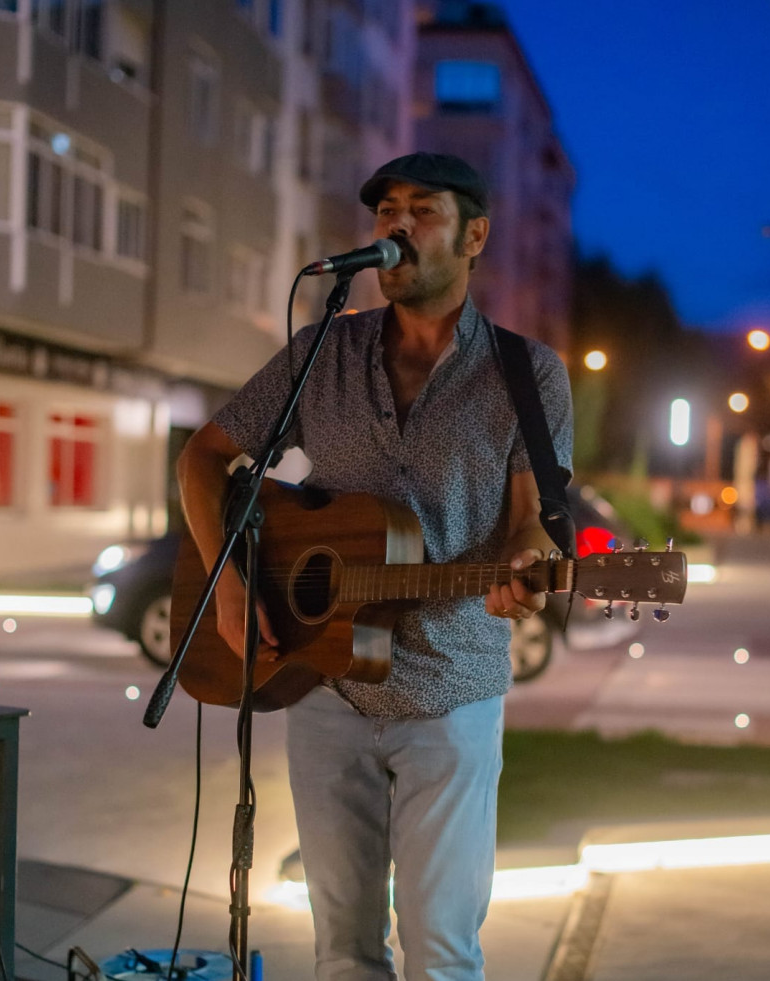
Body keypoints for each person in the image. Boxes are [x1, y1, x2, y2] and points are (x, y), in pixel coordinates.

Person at [177, 152, 573, 980]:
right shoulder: (324, 349)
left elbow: (529, 518)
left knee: (441, 953)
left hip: (451, 690)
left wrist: (524, 564)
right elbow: (204, 457)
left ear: (474, 235)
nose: (394, 224)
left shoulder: (526, 373)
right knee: (344, 954)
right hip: (323, 687)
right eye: (384, 209)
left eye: (419, 209)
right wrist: (230, 582)